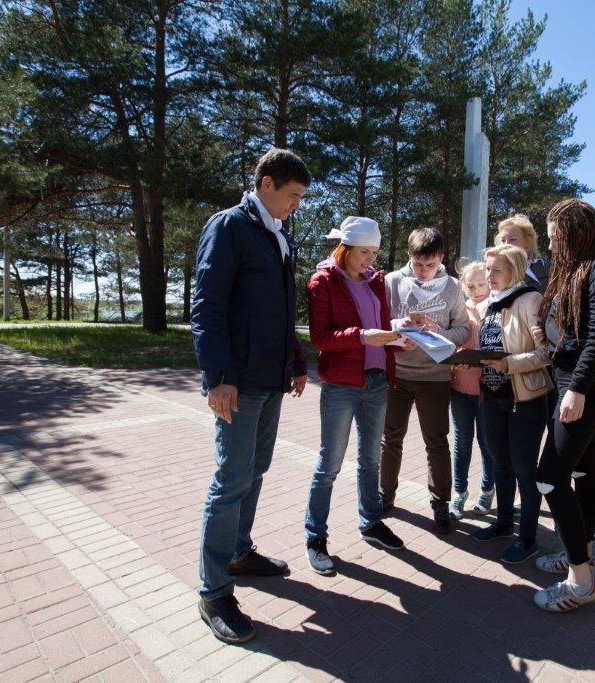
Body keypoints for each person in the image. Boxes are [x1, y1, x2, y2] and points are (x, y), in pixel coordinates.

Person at [191, 148, 311, 644]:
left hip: (270, 380)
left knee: (255, 470)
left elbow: (281, 310)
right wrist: (218, 376)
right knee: (231, 480)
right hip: (237, 382)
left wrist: (296, 360)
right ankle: (214, 591)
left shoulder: (278, 234)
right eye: (292, 195)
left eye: (300, 197)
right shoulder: (229, 226)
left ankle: (239, 552)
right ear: (266, 184)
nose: (296, 205)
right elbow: (207, 305)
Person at [531, 198, 595, 613]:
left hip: (583, 386)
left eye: (556, 238)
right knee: (581, 472)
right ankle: (582, 552)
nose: (551, 246)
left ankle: (581, 581)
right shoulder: (580, 266)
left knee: (549, 478)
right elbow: (573, 328)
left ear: (577, 234)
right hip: (571, 380)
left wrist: (576, 389)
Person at [303, 216, 408, 574]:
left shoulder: (375, 281)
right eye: (364, 252)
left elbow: (381, 327)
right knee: (329, 465)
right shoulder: (323, 281)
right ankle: (315, 537)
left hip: (376, 381)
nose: (370, 260)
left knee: (370, 460)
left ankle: (371, 522)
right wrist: (362, 336)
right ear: (345, 248)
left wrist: (400, 336)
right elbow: (320, 338)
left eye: (374, 253)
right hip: (342, 385)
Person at [380, 228, 471, 534]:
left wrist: (438, 333)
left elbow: (463, 330)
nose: (423, 271)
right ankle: (385, 496)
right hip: (397, 374)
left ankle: (440, 504)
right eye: (418, 264)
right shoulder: (392, 281)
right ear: (409, 255)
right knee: (390, 438)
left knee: (436, 442)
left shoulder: (453, 287)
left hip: (435, 377)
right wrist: (399, 325)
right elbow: (378, 322)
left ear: (441, 258)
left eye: (430, 265)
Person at [470, 245, 552, 564]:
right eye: (487, 268)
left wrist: (508, 364)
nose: (489, 275)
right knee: (500, 464)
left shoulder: (530, 299)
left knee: (523, 469)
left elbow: (546, 354)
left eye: (496, 270)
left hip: (524, 399)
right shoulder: (489, 304)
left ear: (514, 271)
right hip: (492, 397)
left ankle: (528, 537)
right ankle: (503, 523)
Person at [448, 261, 495, 519]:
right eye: (470, 285)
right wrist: (456, 355)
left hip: (486, 391)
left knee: (487, 443)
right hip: (459, 389)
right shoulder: (460, 311)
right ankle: (459, 493)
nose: (476, 290)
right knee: (462, 442)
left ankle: (487, 491)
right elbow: (452, 341)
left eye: (480, 284)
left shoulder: (496, 309)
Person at [494, 214, 551, 293]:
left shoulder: (547, 268)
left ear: (527, 241)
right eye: (503, 240)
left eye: (513, 239)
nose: (506, 244)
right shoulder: (491, 270)